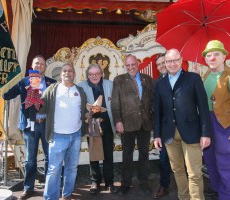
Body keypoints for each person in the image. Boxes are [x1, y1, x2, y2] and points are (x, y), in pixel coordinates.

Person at [153, 49, 211, 200]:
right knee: (177, 170)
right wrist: (157, 135)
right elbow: (158, 111)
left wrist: (205, 133)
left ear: (181, 60)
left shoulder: (193, 79)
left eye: (174, 60)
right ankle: (184, 197)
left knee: (194, 173)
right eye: (168, 61)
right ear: (165, 63)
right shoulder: (160, 84)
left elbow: (203, 107)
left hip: (191, 132)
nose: (171, 64)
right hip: (169, 135)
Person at [3, 55, 56, 200]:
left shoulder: (52, 83)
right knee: (30, 159)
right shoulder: (24, 82)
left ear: (45, 67)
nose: (39, 65)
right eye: (36, 63)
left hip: (46, 125)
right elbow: (7, 96)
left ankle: (49, 188)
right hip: (29, 126)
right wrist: (2, 84)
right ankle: (28, 188)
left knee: (49, 158)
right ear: (32, 66)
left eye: (42, 64)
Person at [202, 40, 230, 200]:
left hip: (225, 124)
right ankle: (216, 187)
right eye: (209, 55)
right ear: (205, 59)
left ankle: (228, 195)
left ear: (224, 57)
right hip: (208, 122)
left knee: (226, 162)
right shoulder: (207, 73)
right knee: (210, 159)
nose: (212, 58)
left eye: (216, 54)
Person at [41, 63, 87, 200]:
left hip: (76, 135)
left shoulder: (80, 91)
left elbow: (84, 111)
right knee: (54, 170)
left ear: (74, 74)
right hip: (57, 136)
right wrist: (34, 100)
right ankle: (50, 197)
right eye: (65, 71)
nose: (67, 73)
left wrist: (91, 112)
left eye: (70, 71)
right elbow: (41, 108)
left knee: (72, 168)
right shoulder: (51, 90)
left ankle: (66, 194)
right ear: (61, 74)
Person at [111, 54, 153, 196]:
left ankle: (144, 182)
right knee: (127, 155)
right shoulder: (119, 80)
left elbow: (151, 101)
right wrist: (118, 121)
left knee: (144, 155)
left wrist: (153, 119)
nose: (130, 67)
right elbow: (115, 103)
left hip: (145, 124)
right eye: (127, 65)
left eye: (133, 64)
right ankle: (125, 183)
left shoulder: (148, 79)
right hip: (126, 124)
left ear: (138, 63)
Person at [77, 64, 115, 194]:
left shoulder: (110, 84)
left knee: (108, 154)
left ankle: (109, 182)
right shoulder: (81, 86)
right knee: (94, 154)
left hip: (107, 124)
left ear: (101, 74)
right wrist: (87, 116)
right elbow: (79, 106)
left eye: (97, 73)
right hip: (92, 125)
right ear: (88, 75)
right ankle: (95, 181)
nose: (94, 76)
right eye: (91, 74)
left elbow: (114, 104)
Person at [153, 53, 171, 199]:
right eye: (158, 64)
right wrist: (157, 133)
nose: (161, 66)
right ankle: (164, 185)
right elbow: (156, 109)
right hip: (165, 129)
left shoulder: (183, 78)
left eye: (163, 63)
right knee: (163, 158)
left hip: (183, 128)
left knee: (183, 161)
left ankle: (187, 187)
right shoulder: (156, 83)